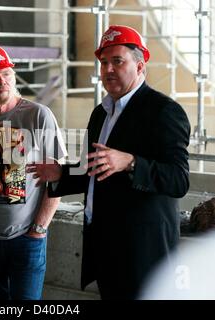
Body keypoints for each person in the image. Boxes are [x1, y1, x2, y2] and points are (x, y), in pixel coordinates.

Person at [27, 25, 191, 300]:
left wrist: (131, 162)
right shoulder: (101, 113)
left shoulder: (164, 111)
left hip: (143, 253)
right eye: (103, 62)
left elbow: (178, 180)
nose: (108, 69)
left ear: (140, 66)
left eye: (118, 61)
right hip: (104, 245)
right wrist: (59, 173)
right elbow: (93, 168)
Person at [0, 44, 67, 300]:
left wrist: (39, 228)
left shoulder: (39, 115)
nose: (1, 81)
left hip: (26, 240)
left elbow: (59, 177)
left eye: (6, 73)